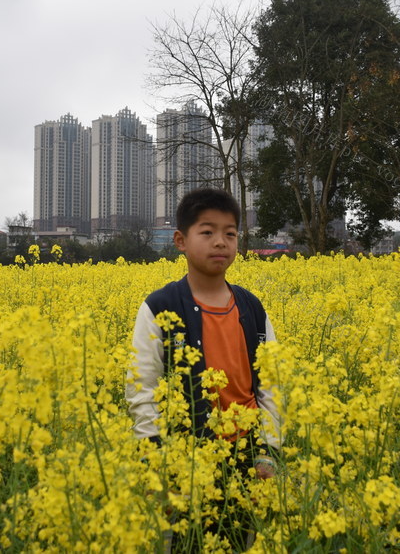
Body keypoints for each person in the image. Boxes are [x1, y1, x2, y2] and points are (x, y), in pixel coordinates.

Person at [125, 188, 281, 551]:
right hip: (188, 459)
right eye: (207, 232)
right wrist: (155, 458)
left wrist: (268, 450)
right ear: (180, 240)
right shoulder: (160, 307)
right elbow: (142, 388)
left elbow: (271, 385)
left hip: (247, 458)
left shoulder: (252, 308)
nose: (221, 243)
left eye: (230, 233)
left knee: (242, 542)